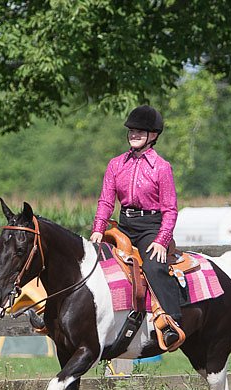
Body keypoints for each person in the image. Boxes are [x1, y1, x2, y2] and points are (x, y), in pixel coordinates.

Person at [90, 105, 182, 347]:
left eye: (140, 131)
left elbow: (170, 209)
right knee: (93, 261)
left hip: (150, 226)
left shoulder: (162, 167)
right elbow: (106, 200)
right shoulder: (115, 164)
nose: (134, 135)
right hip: (124, 224)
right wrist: (98, 229)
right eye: (131, 131)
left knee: (152, 266)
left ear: (153, 135)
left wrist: (162, 240)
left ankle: (172, 321)